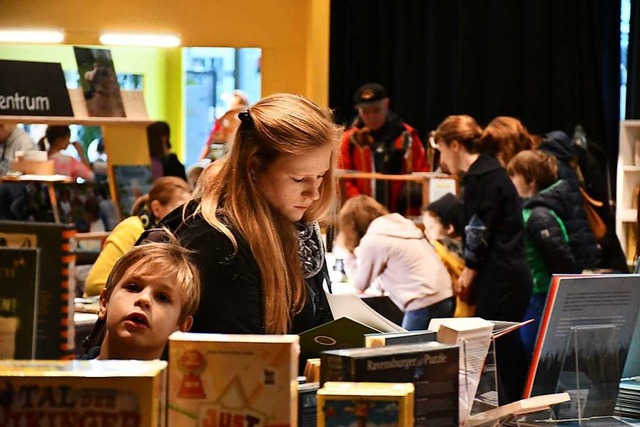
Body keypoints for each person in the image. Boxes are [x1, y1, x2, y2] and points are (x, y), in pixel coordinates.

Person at [147, 93, 340, 337]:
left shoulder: (299, 229)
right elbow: (237, 357)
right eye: (299, 179)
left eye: (321, 176)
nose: (313, 193)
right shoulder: (215, 241)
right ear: (254, 168)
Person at [433, 114, 533, 404]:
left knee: (501, 349)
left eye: (440, 149)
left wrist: (468, 273)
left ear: (454, 145)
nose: (441, 158)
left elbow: (479, 230)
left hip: (501, 277)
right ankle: (517, 406)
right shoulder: (491, 173)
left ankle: (515, 408)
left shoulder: (483, 176)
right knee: (505, 348)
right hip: (508, 274)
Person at [337, 195, 454, 330]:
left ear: (350, 225)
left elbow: (359, 283)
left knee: (408, 350)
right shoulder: (400, 226)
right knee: (435, 350)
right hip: (444, 295)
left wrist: (348, 252)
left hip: (422, 302)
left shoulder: (374, 240)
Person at [80, 235, 201, 360]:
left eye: (162, 297)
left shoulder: (176, 380)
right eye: (133, 287)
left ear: (182, 327)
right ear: (104, 302)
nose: (144, 299)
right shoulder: (66, 376)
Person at [506, 150, 579, 355]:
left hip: (542, 294)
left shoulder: (539, 215)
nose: (511, 180)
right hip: (536, 292)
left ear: (530, 179)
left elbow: (559, 257)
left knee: (535, 350)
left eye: (514, 175)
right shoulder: (534, 211)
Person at [84, 176, 191, 296]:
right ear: (156, 208)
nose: (184, 217)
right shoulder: (131, 228)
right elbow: (95, 284)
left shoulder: (174, 237)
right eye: (179, 210)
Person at [338, 83, 430, 213]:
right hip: (361, 213)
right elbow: (342, 178)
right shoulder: (349, 139)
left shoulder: (406, 135)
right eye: (365, 112)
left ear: (386, 104)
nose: (371, 116)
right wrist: (362, 206)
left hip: (401, 214)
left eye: (376, 110)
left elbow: (421, 175)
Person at [538, 130, 602, 271]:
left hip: (567, 239)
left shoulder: (551, 168)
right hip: (575, 241)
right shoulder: (567, 169)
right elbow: (576, 217)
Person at [422, 193, 474, 318]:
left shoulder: (440, 251)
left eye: (431, 227)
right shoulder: (471, 247)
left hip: (457, 310)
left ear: (450, 228)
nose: (426, 232)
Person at [199, 89, 250, 161]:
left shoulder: (250, 124)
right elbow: (209, 143)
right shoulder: (221, 122)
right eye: (232, 105)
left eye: (237, 106)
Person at [0, 123, 36, 219]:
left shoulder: (25, 142)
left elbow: (29, 170)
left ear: (2, 127)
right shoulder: (3, 142)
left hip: (20, 190)